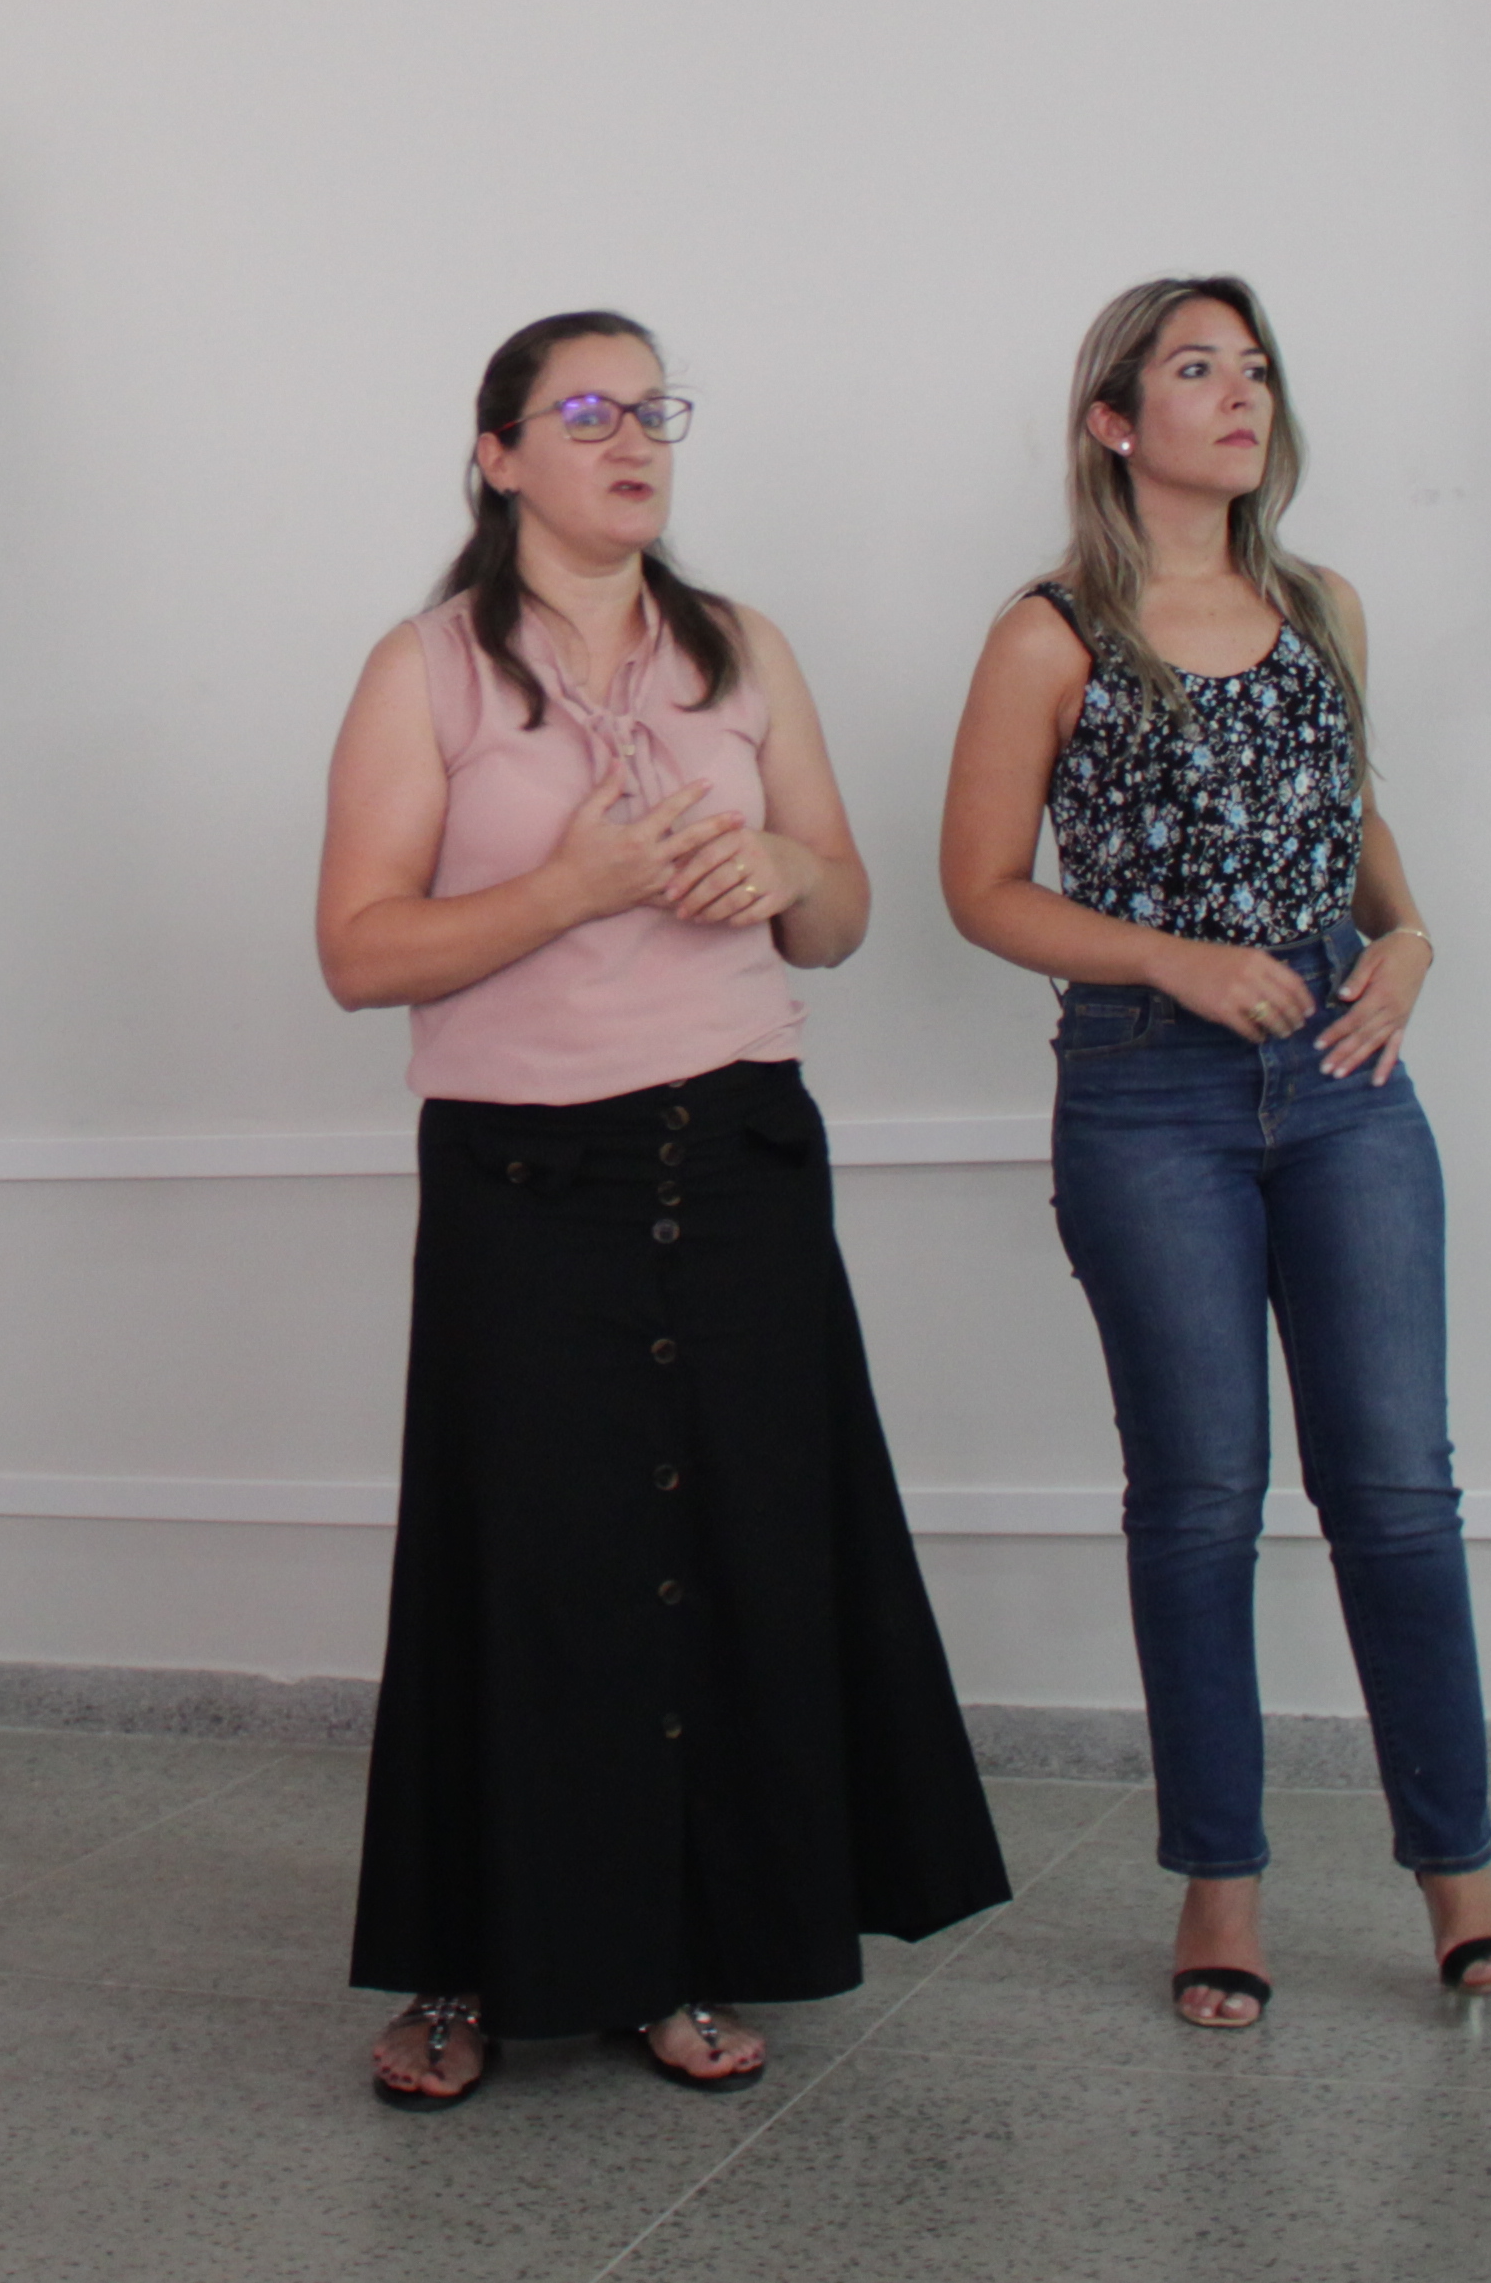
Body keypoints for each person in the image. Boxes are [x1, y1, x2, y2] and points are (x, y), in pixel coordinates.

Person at [315, 312, 1008, 2108]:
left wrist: (785, 867)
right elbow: (355, 950)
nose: (632, 439)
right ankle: (462, 1969)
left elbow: (841, 915)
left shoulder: (738, 647)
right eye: (587, 409)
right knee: (524, 1574)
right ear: (497, 454)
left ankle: (683, 1953)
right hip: (524, 1178)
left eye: (652, 411)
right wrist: (568, 887)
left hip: (741, 1155)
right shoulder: (427, 668)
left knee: (732, 1568)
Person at [935, 275, 1491, 2029]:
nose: (1236, 393)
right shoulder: (1048, 630)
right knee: (1197, 1503)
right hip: (1145, 1097)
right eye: (1193, 368)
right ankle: (1218, 1879)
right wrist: (1167, 958)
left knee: (1393, 1492)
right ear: (1112, 421)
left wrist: (1408, 940)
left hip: (1345, 1083)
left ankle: (1456, 1865)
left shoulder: (1317, 602)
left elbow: (1341, 824)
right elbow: (980, 890)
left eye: (1252, 367)